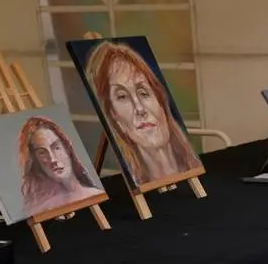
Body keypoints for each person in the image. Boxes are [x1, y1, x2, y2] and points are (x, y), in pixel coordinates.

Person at [84, 40, 202, 186]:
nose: (139, 109)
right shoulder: (138, 180)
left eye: (143, 93)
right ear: (115, 117)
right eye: (122, 96)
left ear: (161, 103)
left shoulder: (191, 166)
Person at [17, 115, 102, 216]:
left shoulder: (96, 194)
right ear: (36, 161)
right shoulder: (38, 211)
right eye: (42, 153)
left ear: (67, 148)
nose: (52, 159)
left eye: (56, 147)